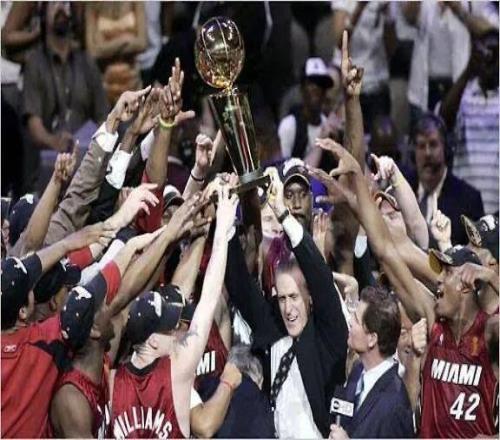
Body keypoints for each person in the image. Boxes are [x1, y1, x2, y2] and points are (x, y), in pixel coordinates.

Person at [310, 139, 498, 438]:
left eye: (449, 273)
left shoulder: (490, 331)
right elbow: (387, 249)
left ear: (468, 283)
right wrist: (356, 188)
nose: (439, 280)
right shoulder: (434, 319)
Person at [225, 170, 348, 437]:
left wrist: (282, 213)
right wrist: (226, 217)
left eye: (294, 297)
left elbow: (320, 276)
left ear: (310, 298)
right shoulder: (275, 328)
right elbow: (240, 287)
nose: (287, 309)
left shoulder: (328, 335)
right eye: (281, 298)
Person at [109, 183, 238, 438]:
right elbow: (208, 299)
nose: (177, 332)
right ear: (153, 341)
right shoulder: (177, 371)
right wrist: (222, 230)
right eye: (170, 328)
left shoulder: (112, 382)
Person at [1, 223, 116, 438]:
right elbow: (92, 299)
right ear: (23, 311)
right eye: (29, 287)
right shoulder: (40, 343)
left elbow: (30, 267)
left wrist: (66, 245)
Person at [21, 1, 108, 192]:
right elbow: (34, 125)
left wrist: (92, 147)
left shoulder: (86, 62)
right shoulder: (35, 63)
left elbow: (104, 118)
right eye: (54, 3)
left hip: (85, 160)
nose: (61, 7)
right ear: (43, 13)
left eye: (66, 3)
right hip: (47, 161)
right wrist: (54, 141)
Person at [329, 287, 414, 439]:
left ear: (372, 339)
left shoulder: (395, 404)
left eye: (356, 320)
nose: (350, 322)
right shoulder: (357, 372)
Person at [403, 0, 498, 125]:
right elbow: (408, 18)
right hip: (424, 89)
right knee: (424, 134)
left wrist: (458, 9)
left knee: (457, 133)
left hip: (460, 86)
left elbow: (491, 32)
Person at [440, 29, 499, 215]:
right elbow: (442, 120)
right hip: (465, 205)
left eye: (496, 52)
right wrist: (469, 70)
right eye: (486, 51)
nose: (490, 58)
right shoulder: (463, 94)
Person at [407, 113, 484, 244]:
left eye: (433, 144)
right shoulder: (402, 190)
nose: (427, 153)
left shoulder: (469, 200)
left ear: (446, 148)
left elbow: (478, 252)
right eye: (421, 146)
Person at [331, 1, 396, 133]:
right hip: (349, 87)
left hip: (377, 85)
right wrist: (359, 8)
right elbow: (339, 42)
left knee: (379, 141)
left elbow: (391, 50)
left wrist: (388, 17)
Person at [84, 2, 147, 105]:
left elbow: (142, 43)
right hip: (104, 82)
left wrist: (105, 45)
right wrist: (126, 39)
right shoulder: (92, 4)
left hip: (132, 79)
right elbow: (93, 51)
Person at [278, 57, 334, 161]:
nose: (316, 88)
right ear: (302, 88)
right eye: (311, 82)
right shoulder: (289, 126)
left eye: (321, 84)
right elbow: (282, 169)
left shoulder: (328, 126)